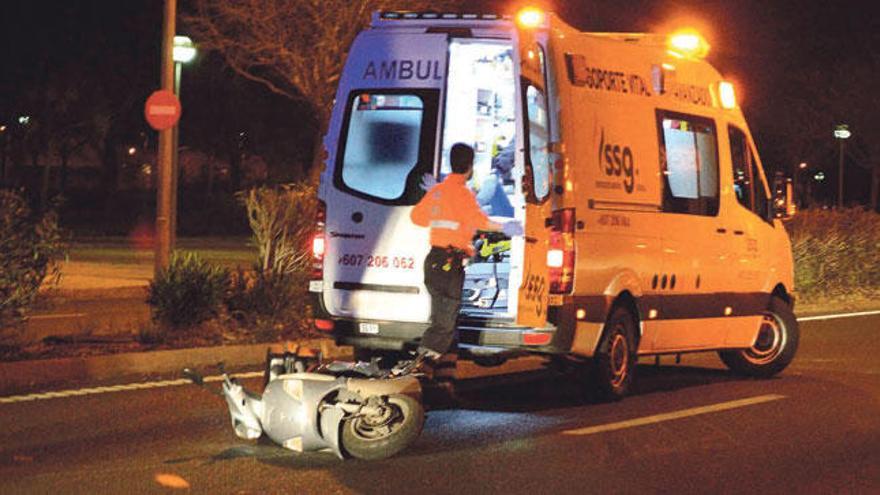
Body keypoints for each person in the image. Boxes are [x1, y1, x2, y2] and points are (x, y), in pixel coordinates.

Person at [396, 143, 522, 374]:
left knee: (448, 321)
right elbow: (480, 221)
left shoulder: (439, 191)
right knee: (443, 325)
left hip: (434, 262)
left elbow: (418, 218)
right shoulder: (462, 194)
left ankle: (445, 379)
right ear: (470, 166)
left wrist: (435, 197)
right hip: (450, 265)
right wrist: (507, 227)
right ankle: (418, 371)